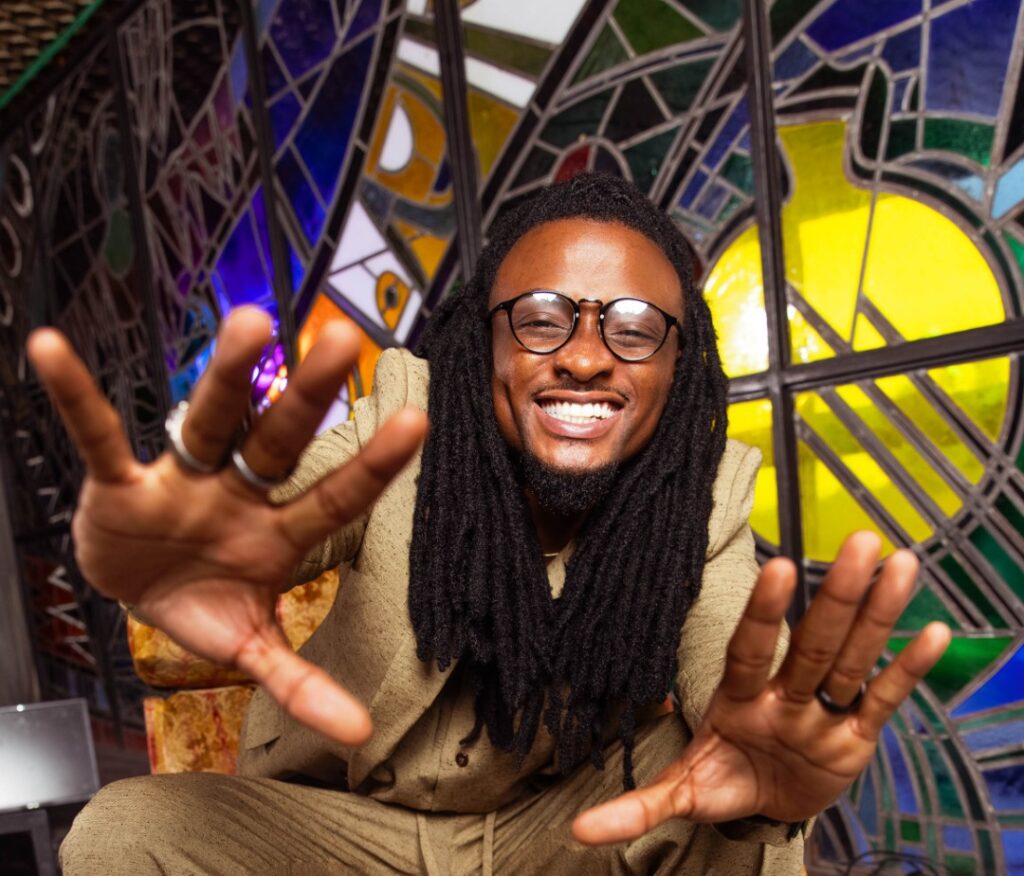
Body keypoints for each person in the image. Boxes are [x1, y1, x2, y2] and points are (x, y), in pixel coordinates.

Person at [31, 174, 949, 874]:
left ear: (681, 366)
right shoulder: (405, 426)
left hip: (557, 832)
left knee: (733, 797)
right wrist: (198, 540)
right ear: (487, 343)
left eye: (633, 328)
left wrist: (770, 750)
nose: (585, 357)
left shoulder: (698, 497)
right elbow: (285, 505)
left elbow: (729, 651)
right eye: (542, 319)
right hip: (344, 826)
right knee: (125, 830)